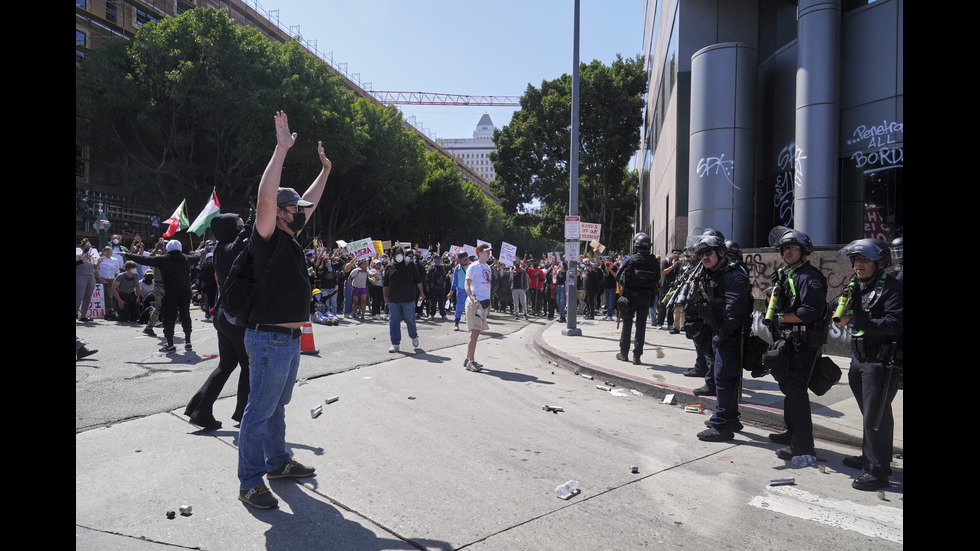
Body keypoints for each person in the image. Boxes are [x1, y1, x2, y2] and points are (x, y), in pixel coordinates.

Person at [236, 111, 330, 510]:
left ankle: (277, 462)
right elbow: (266, 196)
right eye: (295, 208)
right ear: (280, 211)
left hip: (288, 340)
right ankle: (249, 482)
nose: (301, 212)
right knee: (259, 411)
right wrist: (281, 150)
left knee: (276, 406)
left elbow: (311, 200)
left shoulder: (290, 236)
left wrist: (325, 171)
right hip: (269, 339)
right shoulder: (267, 235)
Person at [833, 238, 902, 491]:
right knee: (870, 415)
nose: (858, 265)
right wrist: (840, 304)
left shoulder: (892, 288)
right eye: (856, 260)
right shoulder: (857, 285)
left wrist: (855, 320)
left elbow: (894, 323)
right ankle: (871, 457)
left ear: (880, 263)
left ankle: (877, 472)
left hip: (879, 362)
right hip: (859, 359)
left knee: (876, 416)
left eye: (864, 260)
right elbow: (834, 305)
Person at [763, 226, 828, 460]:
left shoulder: (809, 277)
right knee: (787, 389)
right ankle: (791, 433)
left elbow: (809, 311)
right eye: (784, 248)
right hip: (787, 340)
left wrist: (780, 318)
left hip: (803, 343)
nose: (787, 252)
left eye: (792, 248)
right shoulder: (787, 274)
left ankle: (803, 445)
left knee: (797, 392)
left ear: (804, 251)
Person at [183, 212, 252, 431]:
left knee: (226, 365)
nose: (242, 229)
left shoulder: (221, 250)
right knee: (248, 365)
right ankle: (245, 415)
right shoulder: (227, 249)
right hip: (234, 316)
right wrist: (254, 216)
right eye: (238, 226)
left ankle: (200, 412)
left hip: (224, 314)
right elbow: (242, 240)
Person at [693, 235, 753, 441]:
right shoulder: (710, 273)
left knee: (724, 378)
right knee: (725, 378)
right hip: (718, 331)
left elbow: (736, 312)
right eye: (701, 254)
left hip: (731, 334)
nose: (704, 257)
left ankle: (721, 426)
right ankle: (731, 419)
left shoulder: (733, 276)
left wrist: (722, 334)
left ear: (721, 253)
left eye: (708, 253)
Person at [125, 239, 198, 353]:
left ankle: (170, 345)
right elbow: (197, 257)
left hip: (171, 292)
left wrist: (127, 254)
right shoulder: (186, 258)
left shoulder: (163, 259)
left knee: (169, 318)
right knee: (185, 316)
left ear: (168, 248)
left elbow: (144, 259)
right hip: (185, 292)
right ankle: (188, 342)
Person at [615, 233, 660, 365]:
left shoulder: (630, 260)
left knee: (627, 324)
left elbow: (618, 276)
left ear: (636, 246)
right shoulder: (654, 262)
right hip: (645, 298)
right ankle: (637, 356)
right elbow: (657, 278)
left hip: (630, 297)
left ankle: (624, 353)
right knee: (641, 327)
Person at [383, 245, 424, 353]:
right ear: (392, 255)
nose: (399, 255)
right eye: (396, 253)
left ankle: (413, 336)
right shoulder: (389, 267)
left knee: (410, 320)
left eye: (400, 252)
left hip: (408, 300)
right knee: (394, 321)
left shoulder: (410, 265)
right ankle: (395, 343)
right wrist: (385, 296)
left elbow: (418, 280)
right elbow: (385, 284)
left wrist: (421, 293)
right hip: (393, 300)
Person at [463, 243, 493, 371]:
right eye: (486, 251)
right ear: (480, 253)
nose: (489, 254)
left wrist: (489, 304)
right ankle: (471, 361)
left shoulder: (488, 267)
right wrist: (472, 298)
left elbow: (487, 287)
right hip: (475, 303)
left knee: (476, 332)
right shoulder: (473, 266)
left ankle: (468, 358)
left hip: (484, 304)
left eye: (489, 252)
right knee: (474, 332)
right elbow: (466, 284)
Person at [655, 248, 683, 329]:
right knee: (663, 305)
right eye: (675, 253)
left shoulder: (680, 262)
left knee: (672, 305)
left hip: (674, 286)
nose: (677, 255)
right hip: (665, 286)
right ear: (672, 253)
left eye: (679, 254)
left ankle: (670, 324)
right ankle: (660, 323)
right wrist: (672, 267)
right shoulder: (666, 261)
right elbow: (662, 273)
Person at [76, 238, 99, 322]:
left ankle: (83, 315)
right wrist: (82, 260)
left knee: (88, 297)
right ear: (82, 248)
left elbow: (96, 269)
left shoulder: (92, 257)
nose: (88, 248)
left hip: (91, 277)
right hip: (80, 276)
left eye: (89, 246)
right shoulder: (78, 256)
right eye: (86, 246)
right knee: (79, 296)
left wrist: (99, 262)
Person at [449, 251, 470, 331]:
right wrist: (451, 292)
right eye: (464, 258)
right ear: (460, 259)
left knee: (471, 307)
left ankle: (471, 325)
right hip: (461, 290)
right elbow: (455, 281)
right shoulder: (457, 268)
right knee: (459, 307)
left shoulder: (471, 267)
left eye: (466, 258)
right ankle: (456, 322)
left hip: (470, 290)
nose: (465, 260)